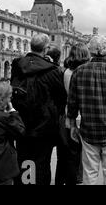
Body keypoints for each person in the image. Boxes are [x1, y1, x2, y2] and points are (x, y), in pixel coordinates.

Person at [67, 35, 106, 185]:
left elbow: (72, 103)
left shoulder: (79, 72)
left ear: (90, 52)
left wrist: (71, 125)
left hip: (88, 128)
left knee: (89, 172)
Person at [11, 34, 67, 185]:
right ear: (46, 49)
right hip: (45, 124)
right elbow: (61, 99)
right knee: (42, 162)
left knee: (24, 159)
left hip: (21, 122)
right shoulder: (53, 70)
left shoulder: (17, 65)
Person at [55, 43, 90, 185]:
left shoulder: (65, 72)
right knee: (79, 153)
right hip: (83, 115)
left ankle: (61, 180)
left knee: (64, 153)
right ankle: (76, 178)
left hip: (67, 115)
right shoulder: (86, 72)